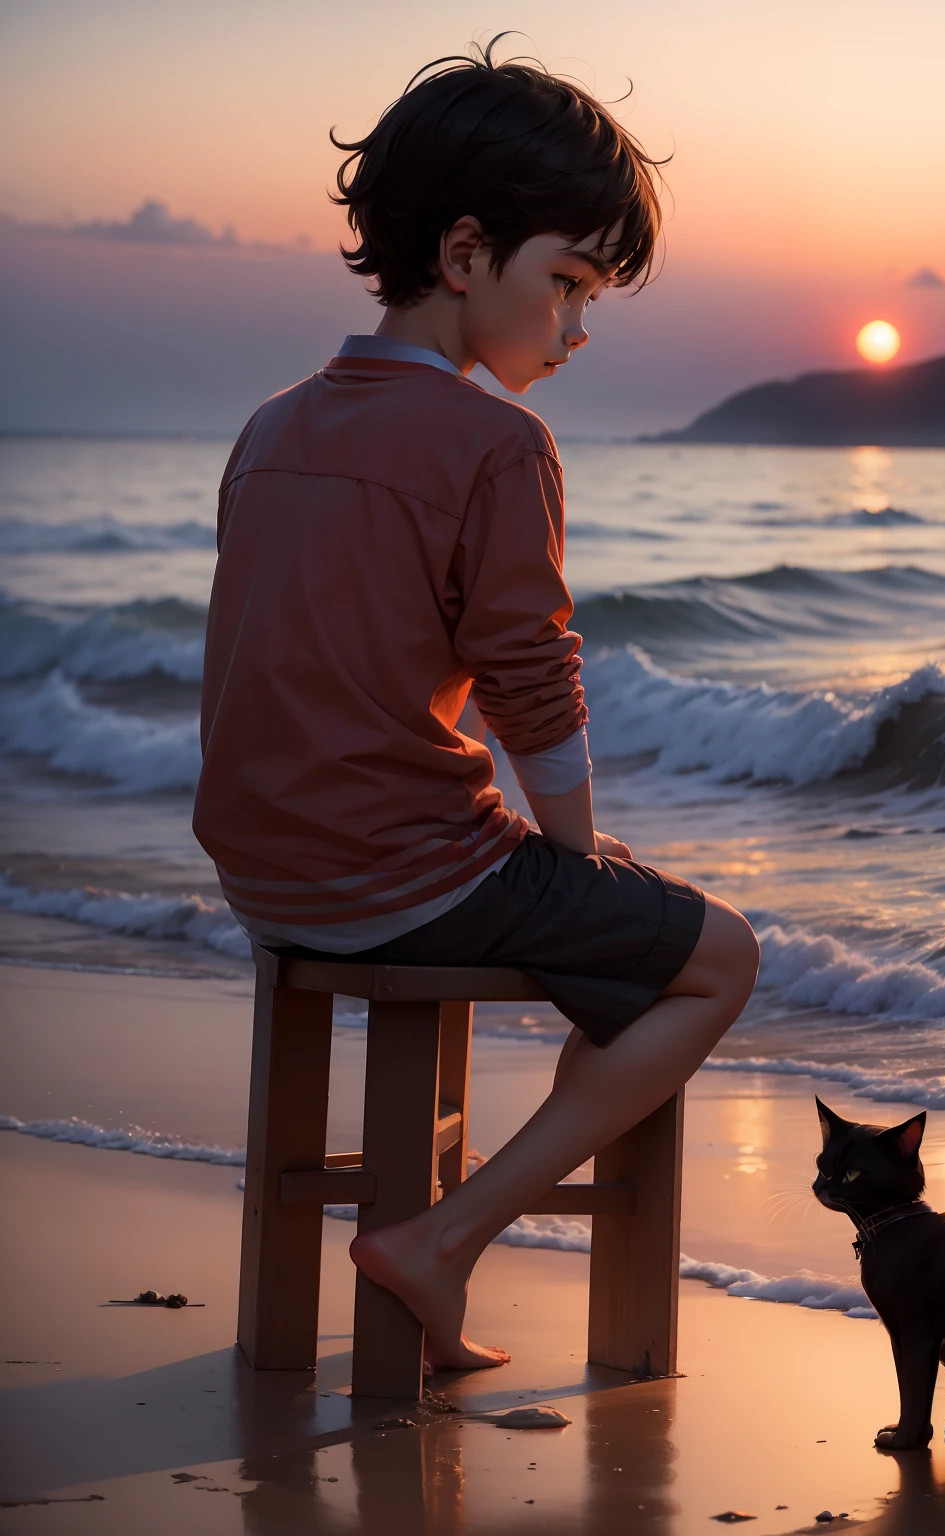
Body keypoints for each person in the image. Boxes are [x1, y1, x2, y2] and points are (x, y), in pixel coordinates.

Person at [193, 43, 759, 1371]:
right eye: (565, 283)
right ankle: (443, 1239)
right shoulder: (499, 443)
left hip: (263, 877)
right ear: (464, 255)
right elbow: (528, 672)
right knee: (715, 955)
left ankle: (434, 1234)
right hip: (400, 872)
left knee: (620, 938)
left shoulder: (270, 425)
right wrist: (573, 848)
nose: (574, 328)